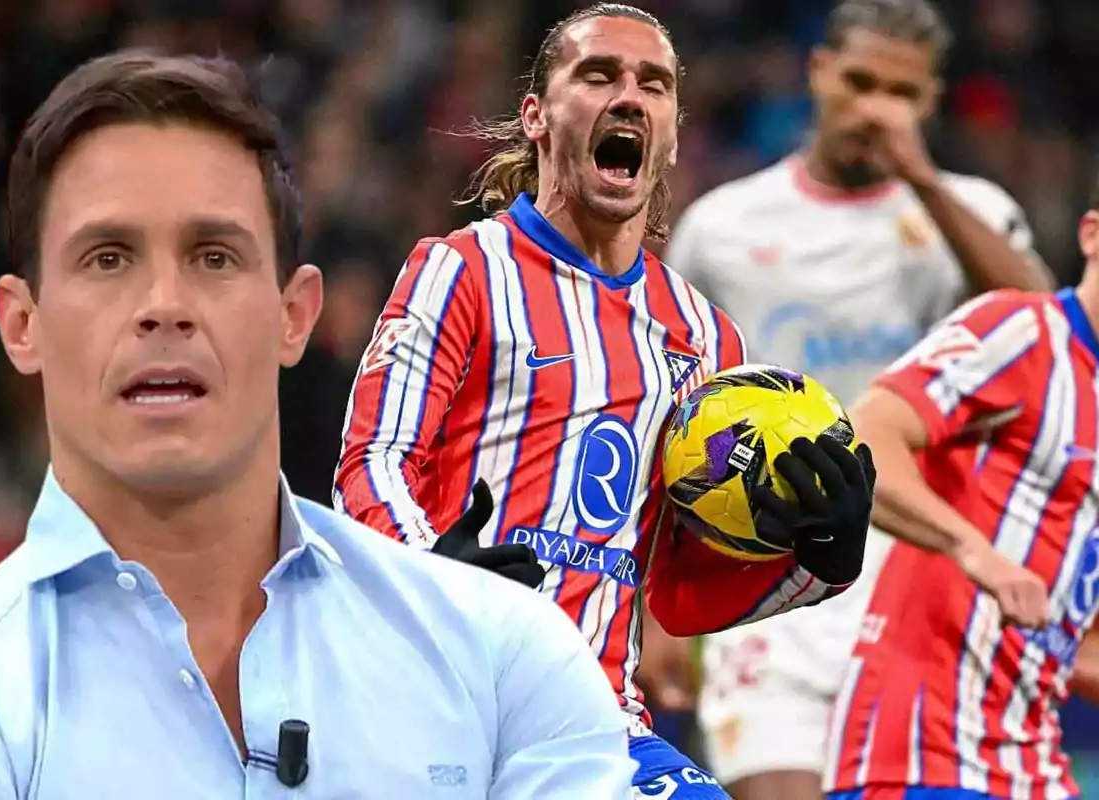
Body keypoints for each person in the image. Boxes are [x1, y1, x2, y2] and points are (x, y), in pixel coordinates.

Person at [0, 50, 641, 799]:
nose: (164, 303)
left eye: (214, 256)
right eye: (108, 258)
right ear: (22, 324)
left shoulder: (502, 652)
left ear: (295, 316)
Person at [334, 4, 876, 797]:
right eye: (599, 75)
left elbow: (679, 588)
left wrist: (815, 562)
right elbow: (370, 461)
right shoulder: (462, 269)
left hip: (595, 723)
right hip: (433, 695)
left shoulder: (706, 337)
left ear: (671, 133)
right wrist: (431, 575)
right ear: (538, 118)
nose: (630, 94)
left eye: (653, 84)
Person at [663, 1, 1054, 797]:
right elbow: (671, 410)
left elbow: (1047, 331)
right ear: (818, 73)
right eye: (860, 82)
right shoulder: (722, 226)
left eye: (903, 94)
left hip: (926, 574)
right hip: (773, 574)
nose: (876, 109)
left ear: (933, 102)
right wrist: (651, 609)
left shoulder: (972, 213)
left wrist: (921, 181)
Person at [825, 190, 1099, 798]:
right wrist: (974, 550)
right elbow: (864, 435)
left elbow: (1080, 644)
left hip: (1030, 755)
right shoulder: (1024, 331)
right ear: (1091, 237)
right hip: (924, 751)